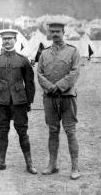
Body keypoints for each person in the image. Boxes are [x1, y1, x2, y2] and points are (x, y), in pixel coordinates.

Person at [0, 29, 37, 174]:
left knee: (23, 132)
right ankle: (1, 162)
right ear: (1, 41)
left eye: (10, 38)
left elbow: (29, 82)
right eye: (5, 39)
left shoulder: (22, 60)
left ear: (15, 40)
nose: (7, 41)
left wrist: (29, 101)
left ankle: (29, 163)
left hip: (19, 102)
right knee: (1, 132)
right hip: (1, 103)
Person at [37, 22, 81, 180]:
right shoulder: (44, 53)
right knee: (52, 131)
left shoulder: (73, 51)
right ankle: (52, 165)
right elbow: (39, 73)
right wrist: (50, 87)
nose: (55, 34)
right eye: (52, 31)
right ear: (49, 33)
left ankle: (75, 167)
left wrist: (59, 86)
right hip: (50, 98)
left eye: (58, 31)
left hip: (67, 97)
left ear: (64, 32)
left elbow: (75, 72)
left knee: (70, 132)